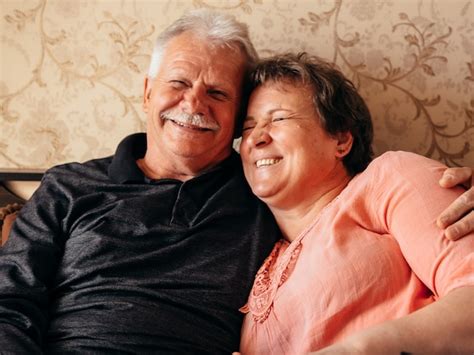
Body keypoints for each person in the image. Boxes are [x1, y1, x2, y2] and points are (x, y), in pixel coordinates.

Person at [0, 9, 472, 354]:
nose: (194, 104)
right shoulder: (70, 186)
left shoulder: (280, 193)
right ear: (147, 91)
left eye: (219, 93)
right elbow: (10, 302)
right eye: (178, 83)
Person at [238, 53, 474, 354]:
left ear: (341, 140)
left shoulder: (389, 177)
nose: (256, 138)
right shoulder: (256, 258)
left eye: (279, 118)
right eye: (247, 128)